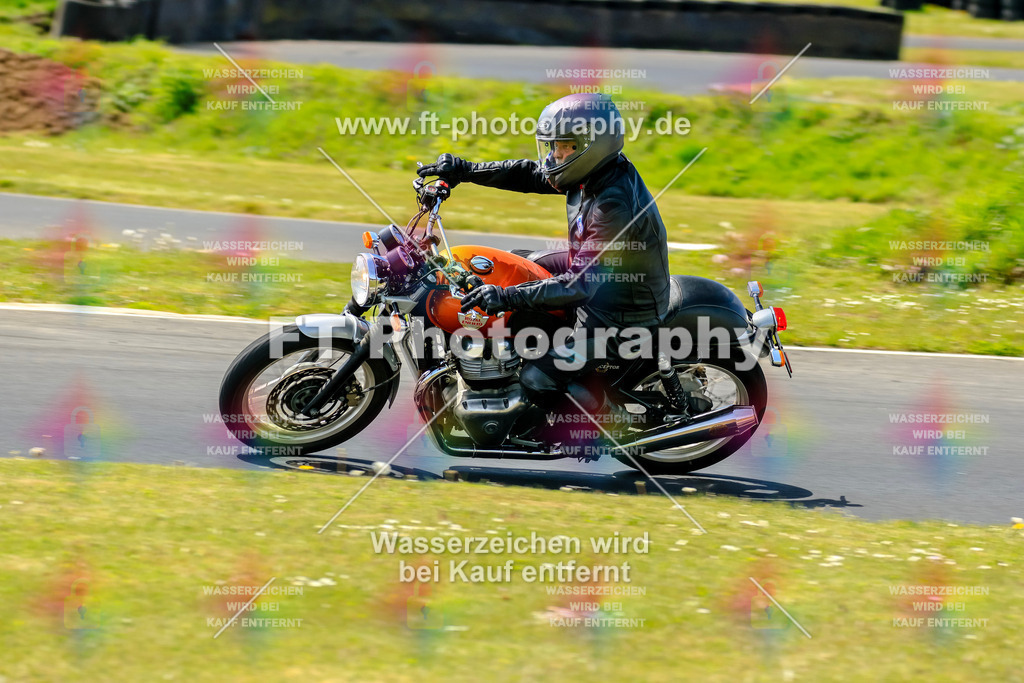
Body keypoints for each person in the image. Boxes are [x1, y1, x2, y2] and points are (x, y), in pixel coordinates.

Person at [416, 93, 671, 418]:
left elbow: (578, 287)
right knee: (517, 266)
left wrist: (505, 297)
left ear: (591, 146)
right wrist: (465, 170)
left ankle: (610, 420)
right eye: (551, 145)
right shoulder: (591, 173)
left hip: (620, 312)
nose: (553, 155)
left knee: (537, 379)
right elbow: (529, 174)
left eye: (564, 146)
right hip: (602, 278)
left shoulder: (613, 206)